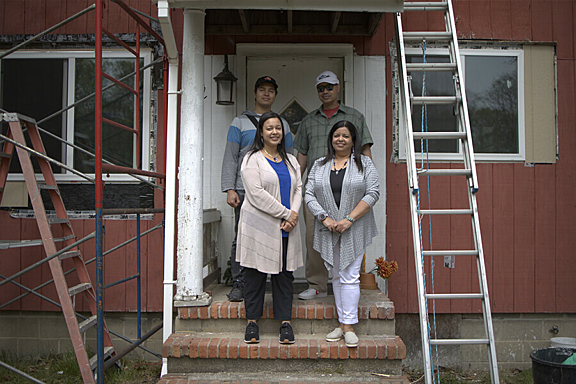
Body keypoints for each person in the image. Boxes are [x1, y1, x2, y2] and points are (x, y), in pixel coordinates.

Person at [294, 70, 374, 300]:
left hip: (349, 189)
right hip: (318, 192)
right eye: (321, 88)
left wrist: (369, 185)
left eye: (329, 87)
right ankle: (317, 285)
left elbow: (365, 152)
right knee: (314, 238)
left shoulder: (355, 117)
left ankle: (350, 285)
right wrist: (296, 188)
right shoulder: (308, 121)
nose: (325, 91)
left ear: (338, 88)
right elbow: (302, 157)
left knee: (350, 235)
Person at [304, 120, 379, 348]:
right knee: (336, 275)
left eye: (345, 135)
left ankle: (348, 326)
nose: (340, 139)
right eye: (336, 135)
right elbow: (309, 194)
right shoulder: (319, 165)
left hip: (353, 229)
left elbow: (373, 193)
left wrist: (349, 219)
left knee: (350, 275)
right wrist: (324, 218)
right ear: (331, 139)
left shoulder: (364, 164)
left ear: (353, 140)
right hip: (328, 228)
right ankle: (342, 322)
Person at [221, 76, 294, 302]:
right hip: (245, 192)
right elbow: (231, 157)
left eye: (270, 90)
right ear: (255, 93)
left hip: (277, 193)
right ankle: (240, 283)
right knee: (242, 238)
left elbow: (289, 159)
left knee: (277, 237)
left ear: (275, 95)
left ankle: (275, 281)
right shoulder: (239, 123)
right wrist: (229, 188)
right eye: (262, 89)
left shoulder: (283, 125)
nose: (266, 94)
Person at [236, 111, 303, 345]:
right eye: (269, 128)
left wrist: (293, 216)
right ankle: (252, 323)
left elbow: (298, 189)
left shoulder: (291, 160)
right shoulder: (251, 159)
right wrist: (288, 214)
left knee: (284, 276)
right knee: (254, 274)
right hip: (260, 226)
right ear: (261, 133)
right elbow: (256, 194)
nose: (274, 132)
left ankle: (285, 323)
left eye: (278, 128)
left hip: (287, 227)